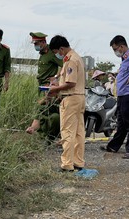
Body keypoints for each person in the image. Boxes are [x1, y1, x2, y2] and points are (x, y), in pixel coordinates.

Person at [100, 35, 129, 159]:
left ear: (121, 46)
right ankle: (113, 146)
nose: (115, 52)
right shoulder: (125, 59)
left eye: (115, 49)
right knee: (121, 122)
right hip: (123, 95)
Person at [48, 35, 86, 171]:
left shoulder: (70, 60)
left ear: (61, 49)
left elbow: (71, 83)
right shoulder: (77, 58)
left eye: (56, 52)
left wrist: (55, 88)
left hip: (71, 98)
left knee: (67, 132)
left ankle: (67, 164)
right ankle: (78, 162)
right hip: (80, 97)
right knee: (78, 132)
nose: (57, 55)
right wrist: (58, 82)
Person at [26, 32, 63, 142]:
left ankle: (49, 135)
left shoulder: (52, 53)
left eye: (37, 43)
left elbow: (64, 65)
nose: (35, 46)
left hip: (49, 88)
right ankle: (40, 132)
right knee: (42, 109)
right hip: (41, 86)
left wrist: (55, 78)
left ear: (43, 42)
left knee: (45, 107)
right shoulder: (42, 54)